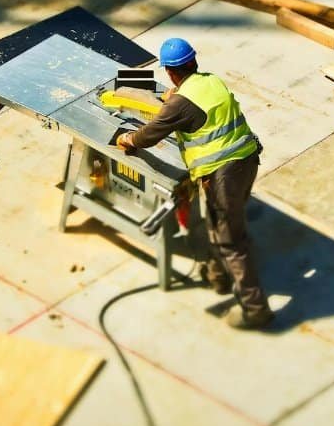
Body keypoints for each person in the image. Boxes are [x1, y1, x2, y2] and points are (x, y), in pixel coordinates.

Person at [116, 38, 274, 329]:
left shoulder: (180, 104)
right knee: (221, 222)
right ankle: (219, 276)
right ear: (193, 62)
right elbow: (195, 104)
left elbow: (149, 135)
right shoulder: (210, 81)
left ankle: (256, 308)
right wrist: (176, 97)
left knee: (230, 240)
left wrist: (128, 139)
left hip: (222, 174)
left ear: (170, 72)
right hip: (247, 160)